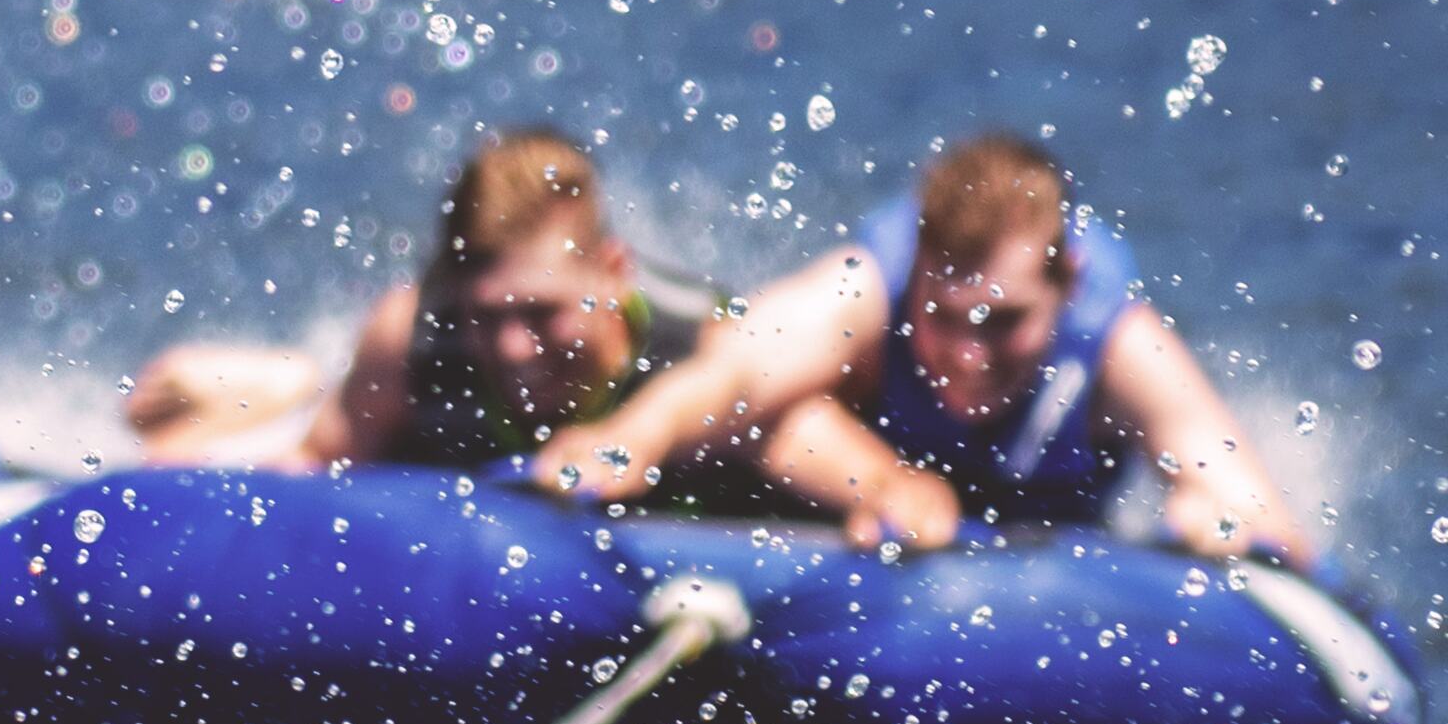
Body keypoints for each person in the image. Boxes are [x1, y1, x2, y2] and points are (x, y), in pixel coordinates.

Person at [540, 133, 1314, 565]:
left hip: (1050, 557)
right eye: (944, 317)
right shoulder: (864, 295)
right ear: (916, 276)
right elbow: (730, 374)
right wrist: (627, 440)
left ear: (1067, 283)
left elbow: (1265, 522)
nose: (969, 354)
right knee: (765, 410)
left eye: (1002, 322)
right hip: (856, 520)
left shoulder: (1120, 350)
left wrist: (1214, 521)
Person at [127, 127, 782, 502]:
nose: (513, 348)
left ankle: (295, 380)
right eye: (488, 316)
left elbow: (859, 472)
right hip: (379, 416)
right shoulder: (414, 340)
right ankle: (277, 388)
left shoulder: (707, 351)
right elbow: (314, 467)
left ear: (613, 273)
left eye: (541, 313)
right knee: (172, 456)